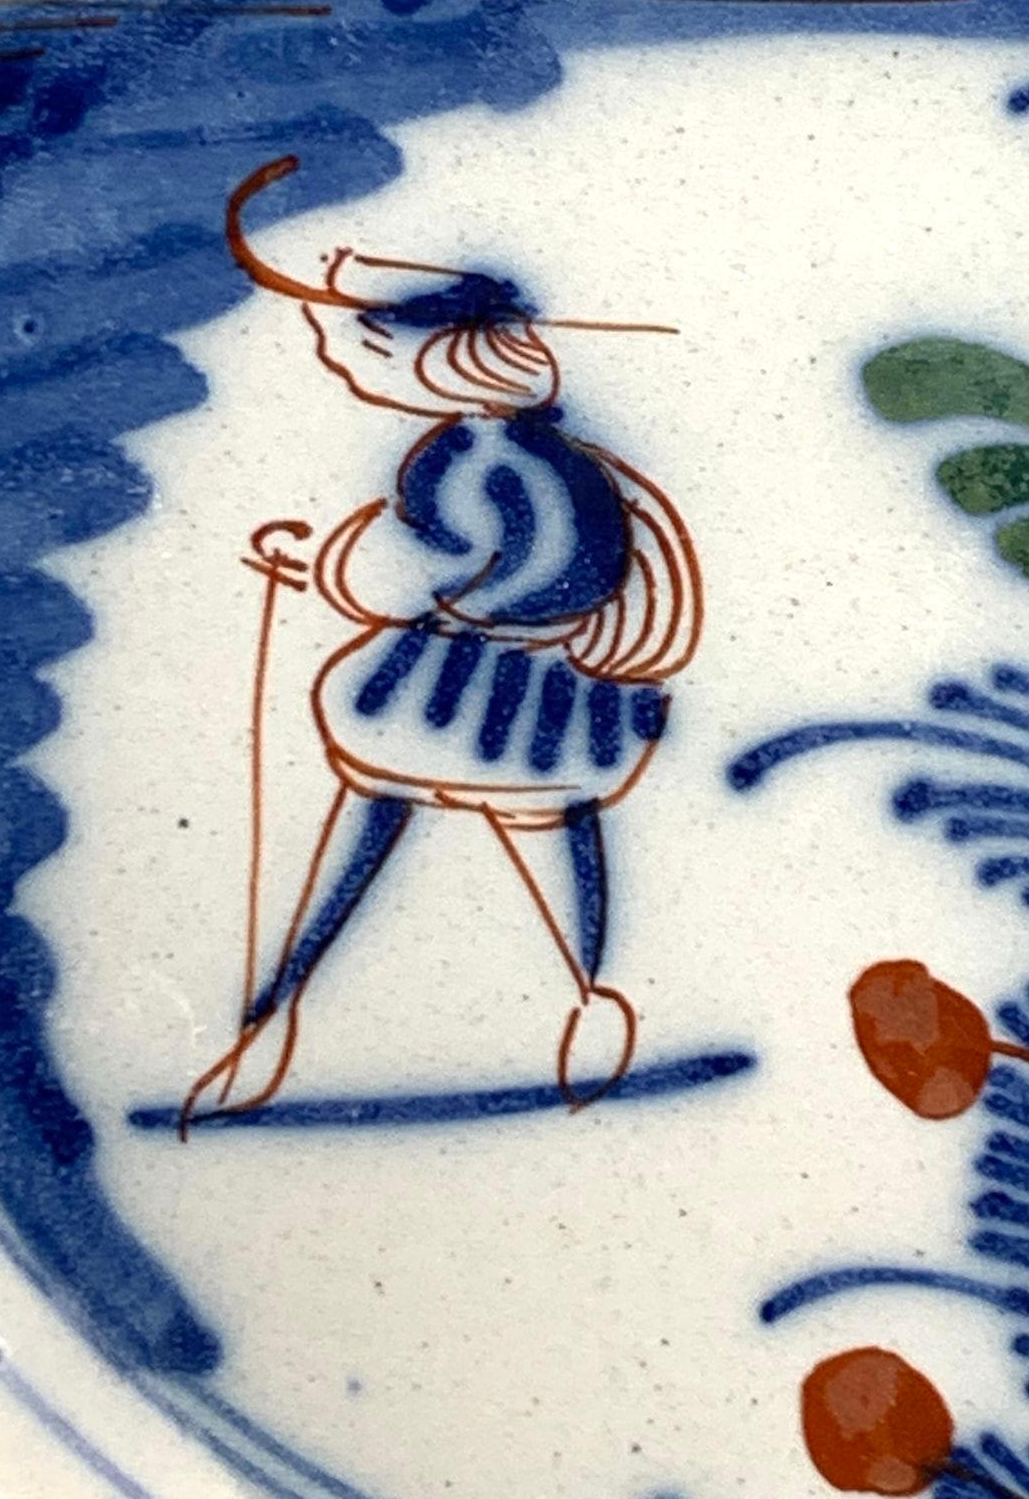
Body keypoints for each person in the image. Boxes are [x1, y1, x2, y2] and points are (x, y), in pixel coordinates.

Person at [180, 157, 702, 1132]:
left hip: (470, 694)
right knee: (531, 834)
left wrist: (322, 565)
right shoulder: (528, 450)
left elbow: (412, 566)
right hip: (534, 699)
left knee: (379, 822)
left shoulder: (482, 459)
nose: (341, 353)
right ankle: (587, 998)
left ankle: (279, 1015)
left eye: (360, 340)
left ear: (439, 357)